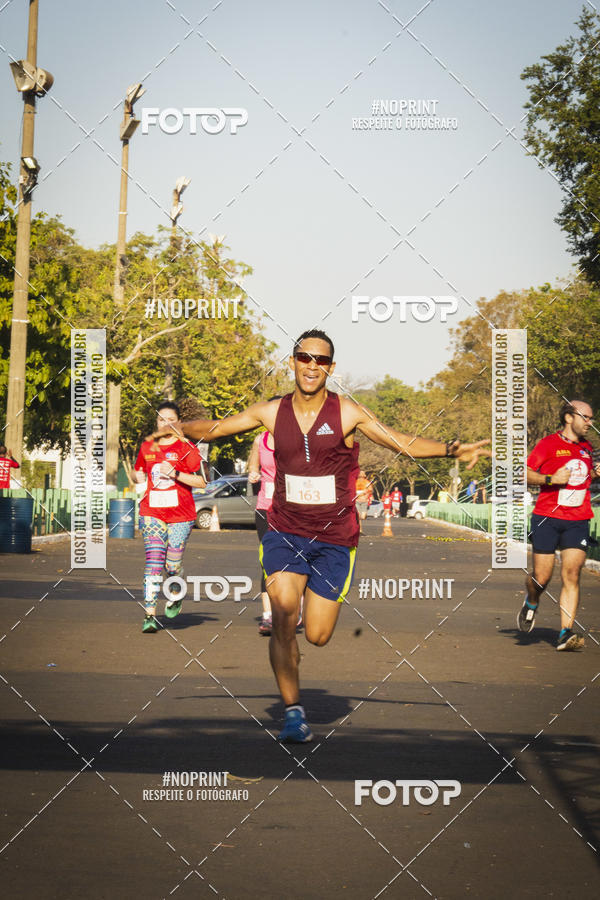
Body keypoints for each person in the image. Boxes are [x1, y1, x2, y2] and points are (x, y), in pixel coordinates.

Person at [158, 329, 490, 741]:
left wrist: (451, 449)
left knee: (316, 635)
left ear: (331, 368)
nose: (311, 365)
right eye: (304, 357)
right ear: (293, 361)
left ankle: (299, 655)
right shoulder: (271, 411)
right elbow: (221, 428)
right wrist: (181, 428)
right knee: (282, 614)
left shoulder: (348, 412)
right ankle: (293, 712)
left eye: (320, 360)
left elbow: (398, 442)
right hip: (284, 529)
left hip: (334, 538)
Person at [517, 400, 600, 651]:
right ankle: (531, 601)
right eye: (586, 417)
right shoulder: (547, 444)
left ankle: (565, 633)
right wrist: (551, 478)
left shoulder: (587, 448)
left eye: (592, 419)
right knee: (542, 578)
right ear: (568, 417)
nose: (590, 423)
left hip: (578, 519)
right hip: (546, 518)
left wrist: (596, 473)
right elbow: (525, 473)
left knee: (572, 574)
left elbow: (583, 478)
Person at [132, 402, 206, 633]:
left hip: (181, 515)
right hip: (151, 513)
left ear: (179, 422)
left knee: (172, 565)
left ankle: (176, 589)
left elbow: (202, 482)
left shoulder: (187, 448)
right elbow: (138, 473)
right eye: (161, 419)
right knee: (154, 562)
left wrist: (174, 473)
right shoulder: (147, 446)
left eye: (170, 419)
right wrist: (137, 476)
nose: (165, 423)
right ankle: (150, 615)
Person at [248, 423, 277, 636]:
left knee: (295, 560)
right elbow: (252, 467)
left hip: (293, 510)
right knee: (268, 560)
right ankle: (268, 615)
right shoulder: (261, 440)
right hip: (265, 508)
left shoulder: (297, 439)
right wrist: (253, 474)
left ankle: (293, 609)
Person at [355, 469, 371, 533]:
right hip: (357, 501)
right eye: (360, 475)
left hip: (364, 501)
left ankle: (360, 528)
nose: (361, 476)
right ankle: (360, 530)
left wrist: (366, 494)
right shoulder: (355, 482)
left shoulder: (367, 482)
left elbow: (370, 490)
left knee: (363, 517)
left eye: (362, 475)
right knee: (358, 516)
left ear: (364, 476)